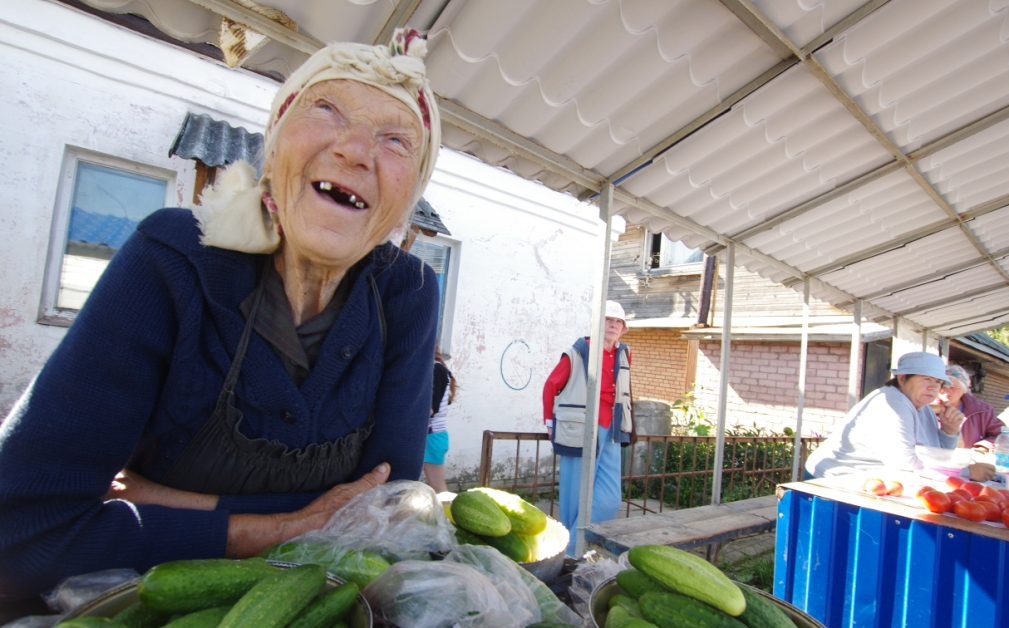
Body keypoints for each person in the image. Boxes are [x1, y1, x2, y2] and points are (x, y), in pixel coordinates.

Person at [0, 30, 443, 596]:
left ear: (410, 196)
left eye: (396, 140)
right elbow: (22, 529)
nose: (355, 151)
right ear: (275, 142)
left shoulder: (407, 292)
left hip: (316, 618)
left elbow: (388, 512)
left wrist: (170, 502)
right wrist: (294, 526)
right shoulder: (174, 260)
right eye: (328, 109)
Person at [805, 352, 994, 480]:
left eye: (937, 382)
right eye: (925, 379)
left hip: (868, 480)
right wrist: (966, 472)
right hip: (831, 479)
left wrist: (949, 430)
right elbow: (905, 463)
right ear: (902, 378)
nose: (933, 387)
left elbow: (937, 455)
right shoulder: (892, 402)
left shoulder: (924, 408)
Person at [543, 301, 632, 554]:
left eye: (618, 322)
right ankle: (570, 551)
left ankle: (572, 543)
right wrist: (550, 422)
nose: (614, 325)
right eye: (608, 320)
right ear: (597, 323)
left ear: (624, 328)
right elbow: (551, 385)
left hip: (613, 428)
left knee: (610, 498)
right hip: (580, 429)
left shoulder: (624, 353)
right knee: (574, 494)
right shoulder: (581, 351)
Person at [937, 364, 1003, 450]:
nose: (947, 391)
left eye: (953, 387)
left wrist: (982, 447)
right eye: (943, 386)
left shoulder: (982, 410)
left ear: (964, 389)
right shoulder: (926, 408)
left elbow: (1001, 435)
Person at [423, 352, 456, 493]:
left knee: (438, 489)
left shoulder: (436, 369)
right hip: (431, 436)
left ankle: (447, 515)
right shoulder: (433, 368)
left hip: (432, 436)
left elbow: (431, 409)